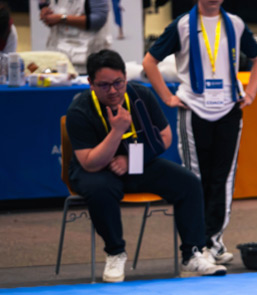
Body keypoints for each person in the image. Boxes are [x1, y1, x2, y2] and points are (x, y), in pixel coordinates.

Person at [66, 49, 226, 282]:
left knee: (188, 182)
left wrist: (131, 161)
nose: (113, 91)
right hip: (96, 170)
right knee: (100, 189)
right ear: (90, 83)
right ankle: (115, 253)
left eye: (118, 83)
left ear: (125, 77)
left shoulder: (140, 96)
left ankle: (192, 254)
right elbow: (89, 163)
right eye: (104, 85)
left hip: (136, 162)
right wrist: (117, 131)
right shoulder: (79, 110)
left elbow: (165, 138)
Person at [142, 0, 257, 266]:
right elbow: (149, 62)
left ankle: (213, 242)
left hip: (228, 108)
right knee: (195, 179)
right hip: (194, 109)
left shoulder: (235, 23)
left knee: (223, 178)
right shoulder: (182, 26)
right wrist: (167, 97)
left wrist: (251, 93)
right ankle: (197, 245)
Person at [40, 0, 112, 74]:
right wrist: (44, 7)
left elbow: (98, 20)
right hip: (57, 55)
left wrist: (62, 18)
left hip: (85, 62)